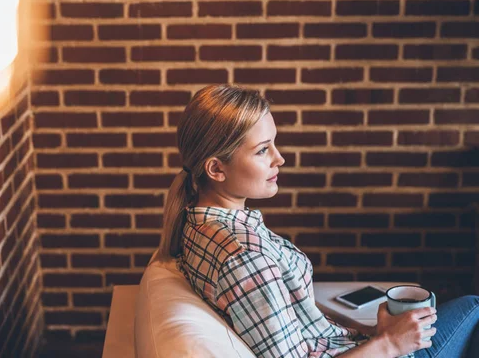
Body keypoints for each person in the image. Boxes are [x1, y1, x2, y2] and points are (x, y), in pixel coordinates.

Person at [156, 84, 479, 357]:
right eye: (262, 150)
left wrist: (375, 333)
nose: (279, 158)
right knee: (473, 307)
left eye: (274, 144)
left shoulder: (196, 224)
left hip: (351, 343)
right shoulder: (244, 256)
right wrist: (390, 343)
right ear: (216, 169)